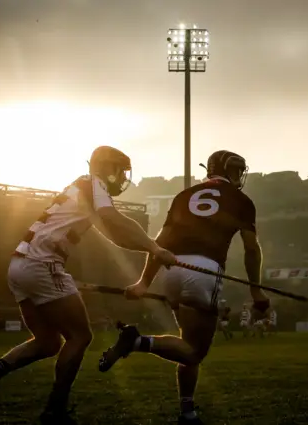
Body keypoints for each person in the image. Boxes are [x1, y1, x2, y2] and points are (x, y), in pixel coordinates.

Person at [0, 146, 177, 425]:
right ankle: (55, 411)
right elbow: (114, 219)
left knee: (48, 341)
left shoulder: (81, 190)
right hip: (44, 264)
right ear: (106, 168)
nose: (122, 178)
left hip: (19, 265)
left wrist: (152, 251)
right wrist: (155, 246)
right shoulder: (94, 184)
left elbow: (115, 235)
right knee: (80, 337)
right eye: (120, 171)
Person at [98, 150, 269, 425]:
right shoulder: (242, 201)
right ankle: (137, 342)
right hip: (205, 272)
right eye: (236, 170)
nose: (239, 176)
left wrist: (144, 282)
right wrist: (256, 291)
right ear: (225, 170)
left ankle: (187, 412)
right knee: (195, 351)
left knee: (185, 344)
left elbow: (161, 242)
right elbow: (252, 249)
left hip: (171, 271)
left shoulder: (183, 196)